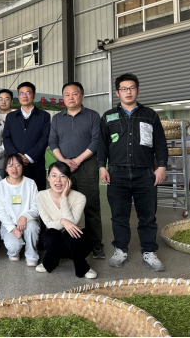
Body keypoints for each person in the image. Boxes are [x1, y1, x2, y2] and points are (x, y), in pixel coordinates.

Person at [98, 73, 168, 272]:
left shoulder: (150, 115)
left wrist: (161, 166)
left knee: (148, 215)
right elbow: (102, 144)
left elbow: (160, 143)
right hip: (117, 173)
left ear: (138, 90)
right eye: (124, 89)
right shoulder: (108, 116)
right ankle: (120, 250)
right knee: (119, 216)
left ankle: (149, 251)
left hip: (145, 173)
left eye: (131, 88)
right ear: (117, 92)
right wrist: (102, 166)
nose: (128, 92)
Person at [49, 82, 104, 260]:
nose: (70, 97)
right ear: (63, 98)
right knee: (63, 204)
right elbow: (52, 142)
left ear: (82, 96)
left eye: (74, 94)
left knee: (91, 205)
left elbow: (96, 141)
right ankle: (66, 243)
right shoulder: (57, 119)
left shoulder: (93, 116)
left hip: (87, 165)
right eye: (67, 94)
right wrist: (64, 161)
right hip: (63, 168)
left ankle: (96, 245)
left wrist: (78, 160)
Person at [35, 162, 98, 279]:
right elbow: (48, 223)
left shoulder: (79, 197)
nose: (58, 180)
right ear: (48, 178)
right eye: (54, 175)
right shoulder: (40, 196)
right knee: (50, 233)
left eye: (63, 176)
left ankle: (83, 267)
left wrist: (64, 197)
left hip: (76, 243)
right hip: (55, 243)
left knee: (70, 233)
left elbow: (71, 224)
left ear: (69, 179)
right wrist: (62, 221)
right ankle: (50, 262)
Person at [3, 82, 51, 191]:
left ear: (34, 95)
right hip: (14, 166)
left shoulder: (44, 116)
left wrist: (29, 157)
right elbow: (6, 138)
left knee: (37, 194)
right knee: (15, 195)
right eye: (21, 93)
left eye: (28, 93)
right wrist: (17, 157)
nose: (25, 96)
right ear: (18, 96)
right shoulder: (11, 117)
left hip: (36, 164)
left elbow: (45, 138)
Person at [0, 154, 40, 267]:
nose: (14, 169)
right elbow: (1, 212)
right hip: (9, 224)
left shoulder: (30, 183)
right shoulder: (1, 185)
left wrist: (24, 216)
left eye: (18, 165)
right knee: (14, 247)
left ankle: (31, 254)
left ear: (22, 167)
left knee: (32, 227)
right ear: (6, 168)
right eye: (10, 165)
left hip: (28, 221)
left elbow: (36, 207)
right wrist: (12, 228)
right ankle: (15, 250)